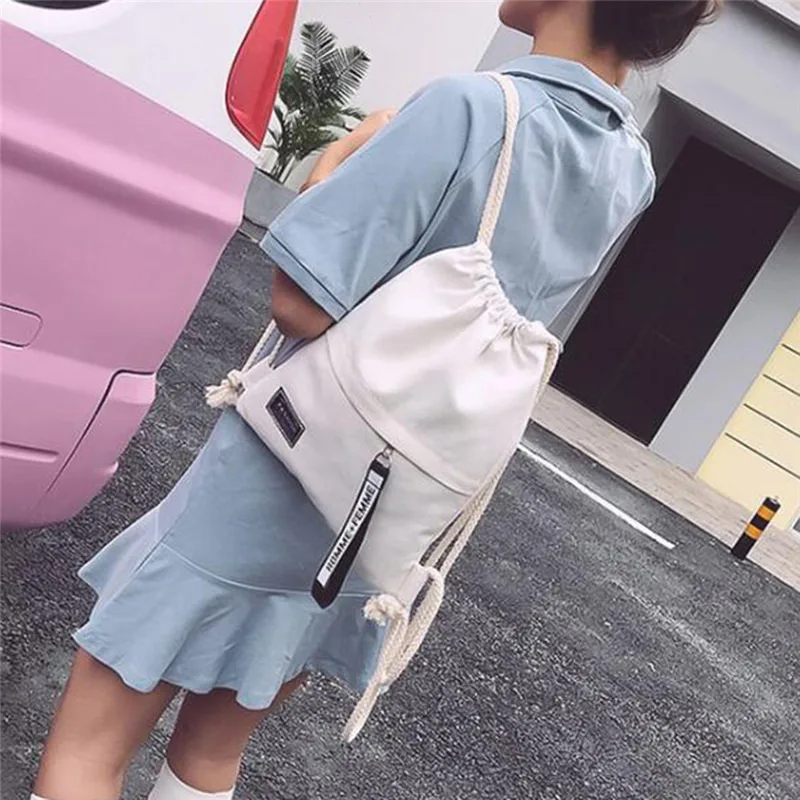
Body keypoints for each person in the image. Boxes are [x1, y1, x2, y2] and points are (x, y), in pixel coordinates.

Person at [31, 2, 718, 798]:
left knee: (90, 748)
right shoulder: (628, 166)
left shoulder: (472, 107)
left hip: (276, 474)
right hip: (379, 513)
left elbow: (301, 304)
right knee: (209, 758)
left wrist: (339, 162)